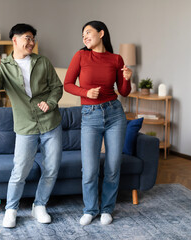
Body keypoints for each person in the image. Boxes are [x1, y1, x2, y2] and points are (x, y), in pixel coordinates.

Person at [0, 23, 63, 228]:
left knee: (52, 168)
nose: (31, 42)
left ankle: (40, 205)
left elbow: (57, 87)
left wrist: (51, 103)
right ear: (15, 40)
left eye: (33, 38)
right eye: (27, 38)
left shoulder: (42, 62)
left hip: (50, 123)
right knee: (20, 171)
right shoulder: (3, 65)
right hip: (25, 126)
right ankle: (11, 210)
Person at [64, 20, 132, 226]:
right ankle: (90, 209)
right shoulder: (81, 55)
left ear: (101, 33)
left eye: (88, 32)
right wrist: (86, 93)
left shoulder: (116, 59)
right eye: (82, 34)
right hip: (90, 116)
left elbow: (124, 92)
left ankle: (107, 209)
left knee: (113, 166)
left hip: (114, 114)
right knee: (90, 168)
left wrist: (128, 78)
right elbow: (67, 84)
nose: (84, 37)